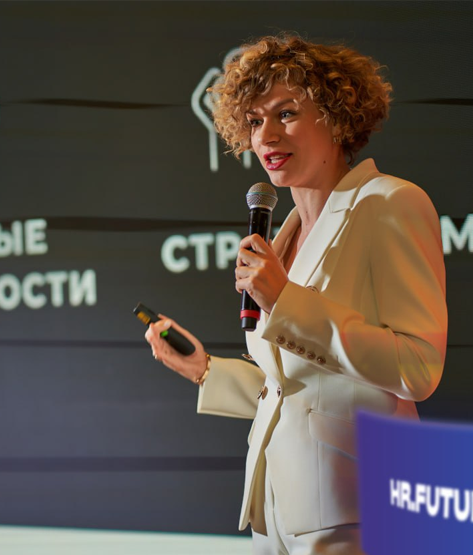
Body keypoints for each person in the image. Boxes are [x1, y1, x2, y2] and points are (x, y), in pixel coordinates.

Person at [144, 34, 447, 554]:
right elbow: (298, 389)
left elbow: (417, 368)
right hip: (276, 512)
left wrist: (285, 301)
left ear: (337, 116)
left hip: (358, 507)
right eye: (254, 120)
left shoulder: (389, 202)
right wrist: (206, 371)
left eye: (286, 113)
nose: (266, 135)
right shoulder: (283, 233)